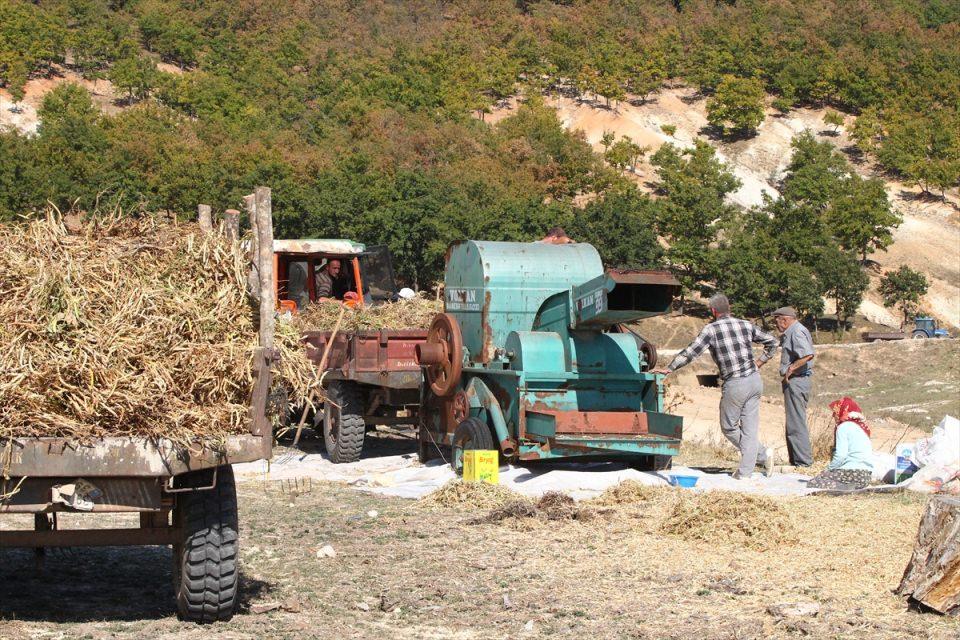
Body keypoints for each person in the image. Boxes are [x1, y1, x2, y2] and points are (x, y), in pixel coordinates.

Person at [653, 293, 779, 479]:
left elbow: (690, 353)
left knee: (729, 427)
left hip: (735, 383)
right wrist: (760, 362)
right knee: (750, 428)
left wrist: (669, 368)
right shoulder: (745, 324)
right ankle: (746, 471)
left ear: (713, 310)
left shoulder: (710, 330)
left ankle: (760, 455)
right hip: (754, 380)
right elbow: (773, 342)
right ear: (729, 307)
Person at [772, 306, 815, 468]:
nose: (776, 324)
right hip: (796, 381)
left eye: (776, 320)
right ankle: (796, 461)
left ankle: (803, 462)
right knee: (793, 422)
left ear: (784, 319)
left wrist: (791, 369)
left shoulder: (796, 331)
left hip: (797, 380)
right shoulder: (795, 330)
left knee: (796, 422)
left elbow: (807, 354)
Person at [807, 397, 874, 490]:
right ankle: (850, 485)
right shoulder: (862, 428)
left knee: (813, 482)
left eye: (835, 412)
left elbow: (841, 456)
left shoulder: (843, 427)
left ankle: (844, 487)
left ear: (842, 411)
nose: (833, 415)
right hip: (866, 476)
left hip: (852, 472)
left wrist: (828, 470)